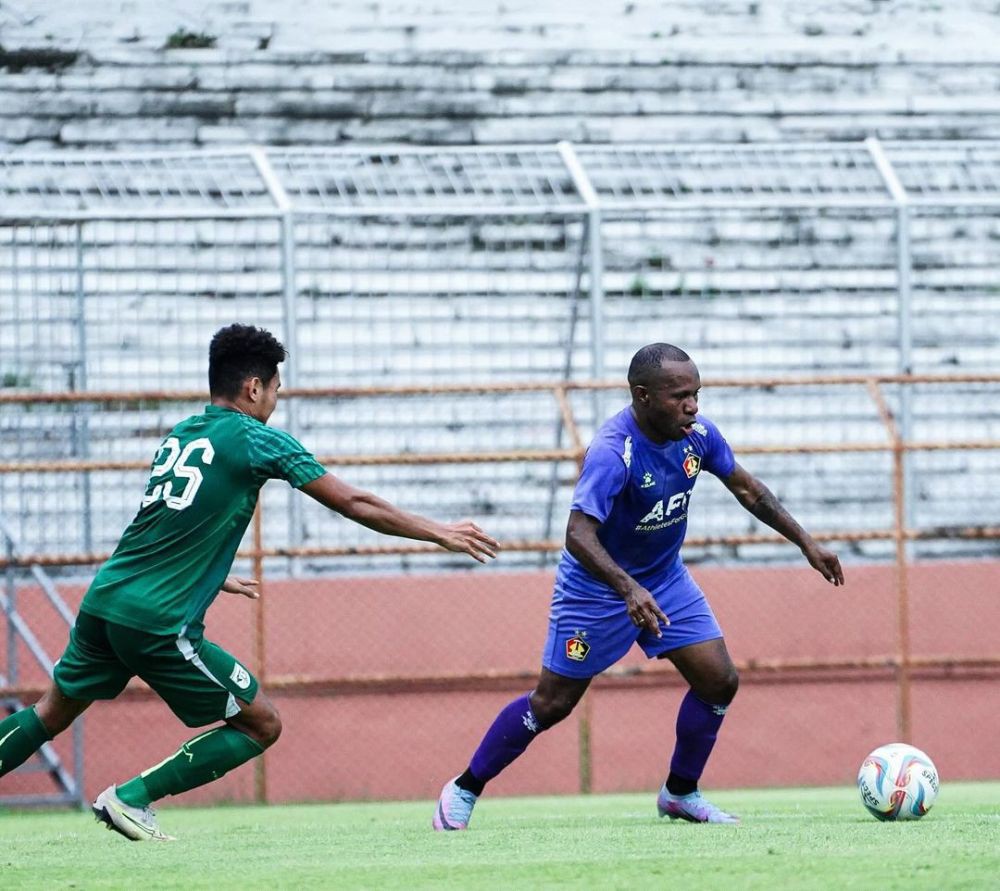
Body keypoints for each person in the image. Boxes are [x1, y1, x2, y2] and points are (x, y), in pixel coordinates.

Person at [0, 323, 499, 841]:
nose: (277, 400)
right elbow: (354, 502)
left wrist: (210, 575)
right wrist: (438, 532)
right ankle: (130, 798)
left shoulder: (182, 435)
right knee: (261, 723)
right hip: (157, 620)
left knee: (49, 712)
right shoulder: (257, 441)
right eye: (277, 389)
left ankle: (126, 798)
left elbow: (162, 528)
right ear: (254, 387)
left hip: (106, 601)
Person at [432, 342, 843, 830]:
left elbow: (748, 489)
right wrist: (627, 589)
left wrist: (806, 543)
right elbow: (578, 535)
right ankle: (464, 788)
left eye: (696, 394)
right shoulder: (613, 452)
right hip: (596, 588)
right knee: (552, 704)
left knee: (719, 680)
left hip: (664, 578)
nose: (692, 406)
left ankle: (680, 793)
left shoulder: (699, 435)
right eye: (679, 397)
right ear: (643, 396)